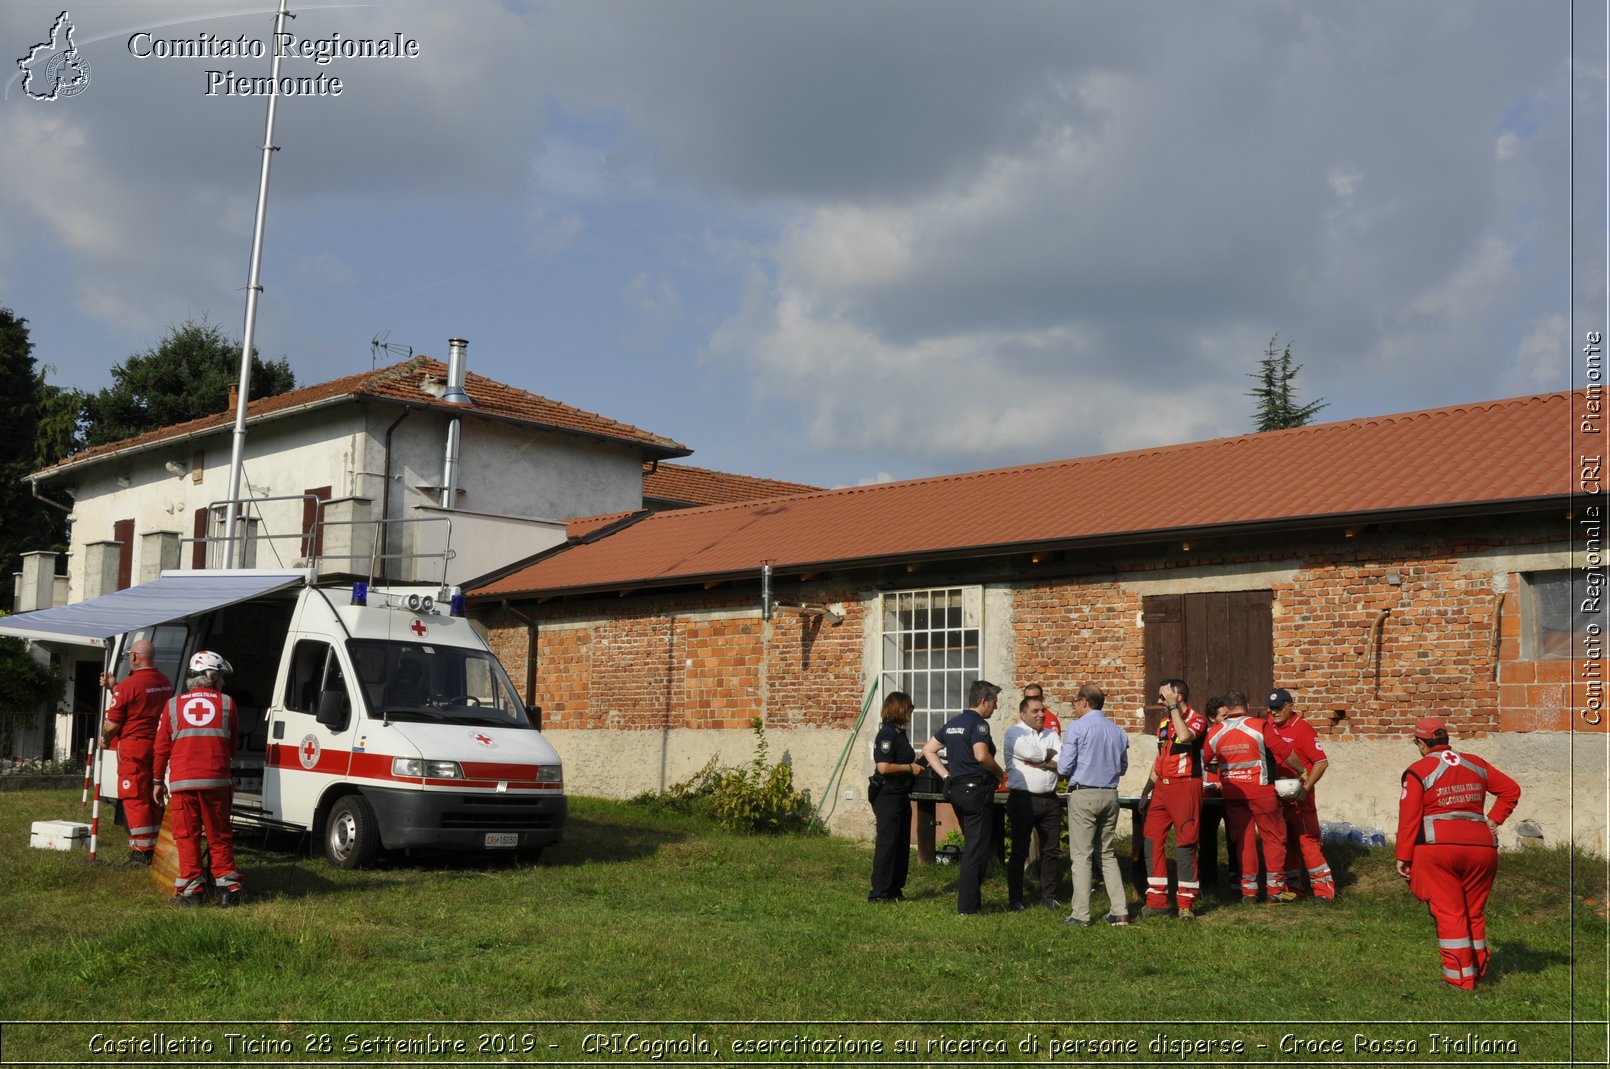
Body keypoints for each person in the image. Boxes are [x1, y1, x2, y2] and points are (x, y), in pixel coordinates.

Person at [1395, 717, 1521, 989]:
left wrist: (1403, 856)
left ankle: (1459, 979)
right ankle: (1478, 970)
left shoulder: (1418, 771)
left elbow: (1409, 818)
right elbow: (1511, 790)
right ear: (1445, 739)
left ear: (1420, 742)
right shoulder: (1476, 763)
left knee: (1450, 913)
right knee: (1473, 912)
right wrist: (1494, 820)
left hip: (1438, 850)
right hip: (1482, 847)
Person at [153, 651, 244, 907]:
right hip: (216, 781)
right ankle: (228, 891)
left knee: (187, 837)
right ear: (212, 677)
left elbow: (161, 748)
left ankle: (192, 893)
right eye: (221, 677)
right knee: (219, 836)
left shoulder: (172, 705)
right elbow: (232, 745)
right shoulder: (227, 703)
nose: (223, 683)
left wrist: (158, 781)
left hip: (183, 783)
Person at [1204, 692, 1303, 904]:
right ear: (1247, 705)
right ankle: (1275, 891)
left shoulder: (1214, 732)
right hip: (1262, 792)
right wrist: (1302, 771)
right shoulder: (1259, 726)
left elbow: (1202, 760)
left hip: (1233, 794)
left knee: (1243, 841)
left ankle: (1248, 891)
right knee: (1274, 838)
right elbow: (1284, 752)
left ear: (1227, 708)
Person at [921, 679, 1005, 915]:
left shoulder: (952, 724)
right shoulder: (979, 725)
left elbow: (928, 750)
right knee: (975, 849)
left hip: (957, 791)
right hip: (976, 791)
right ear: (983, 701)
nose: (995, 708)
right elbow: (981, 756)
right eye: (994, 703)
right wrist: (1000, 773)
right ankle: (968, 907)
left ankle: (969, 902)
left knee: (972, 843)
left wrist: (946, 775)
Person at [1056, 684, 1130, 927]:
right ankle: (1120, 910)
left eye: (1075, 701)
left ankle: (1081, 914)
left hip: (1084, 793)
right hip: (1110, 794)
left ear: (1085, 702)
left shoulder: (1078, 727)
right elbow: (1122, 767)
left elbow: (1064, 768)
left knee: (1081, 856)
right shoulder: (1117, 730)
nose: (1074, 706)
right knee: (1106, 854)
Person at [99, 638, 174, 867]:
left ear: (134, 656)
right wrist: (115, 687)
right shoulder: (164, 682)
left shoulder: (128, 688)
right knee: (154, 793)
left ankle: (140, 852)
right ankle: (155, 846)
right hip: (159, 745)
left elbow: (112, 724)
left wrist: (104, 739)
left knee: (134, 796)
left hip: (134, 746)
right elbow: (141, 701)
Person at [1139, 678, 1206, 918]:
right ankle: (1156, 900)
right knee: (1151, 839)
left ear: (1177, 697)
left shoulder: (1197, 719)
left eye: (1163, 696)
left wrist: (1172, 708)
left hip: (1186, 786)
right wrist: (1147, 790)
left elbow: (1186, 737)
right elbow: (1160, 759)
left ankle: (1185, 903)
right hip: (1162, 789)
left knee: (1186, 842)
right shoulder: (1164, 722)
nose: (1158, 700)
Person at [1264, 687, 1337, 901]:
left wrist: (1306, 789)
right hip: (1278, 797)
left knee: (1307, 841)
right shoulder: (1268, 726)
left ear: (1290, 706)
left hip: (1300, 797)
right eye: (1271, 708)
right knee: (1285, 843)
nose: (1274, 712)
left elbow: (1321, 762)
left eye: (1278, 708)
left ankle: (1325, 891)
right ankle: (1293, 889)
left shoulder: (1302, 728)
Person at [1003, 694, 1062, 911]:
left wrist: (1044, 763)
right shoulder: (1014, 733)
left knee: (1051, 850)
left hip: (1050, 799)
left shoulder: (1051, 734)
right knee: (1019, 851)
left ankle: (1049, 897)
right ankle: (1016, 899)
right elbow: (1031, 753)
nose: (1041, 714)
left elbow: (1065, 760)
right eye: (1035, 711)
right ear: (1023, 714)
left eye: (1042, 710)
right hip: (1023, 798)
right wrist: (1049, 757)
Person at [868, 691, 920, 903]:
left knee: (901, 842)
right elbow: (883, 766)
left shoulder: (900, 733)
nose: (910, 712)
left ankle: (894, 889)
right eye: (908, 708)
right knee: (888, 842)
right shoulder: (887, 734)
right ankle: (879, 892)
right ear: (899, 709)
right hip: (887, 795)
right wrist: (910, 767)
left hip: (901, 794)